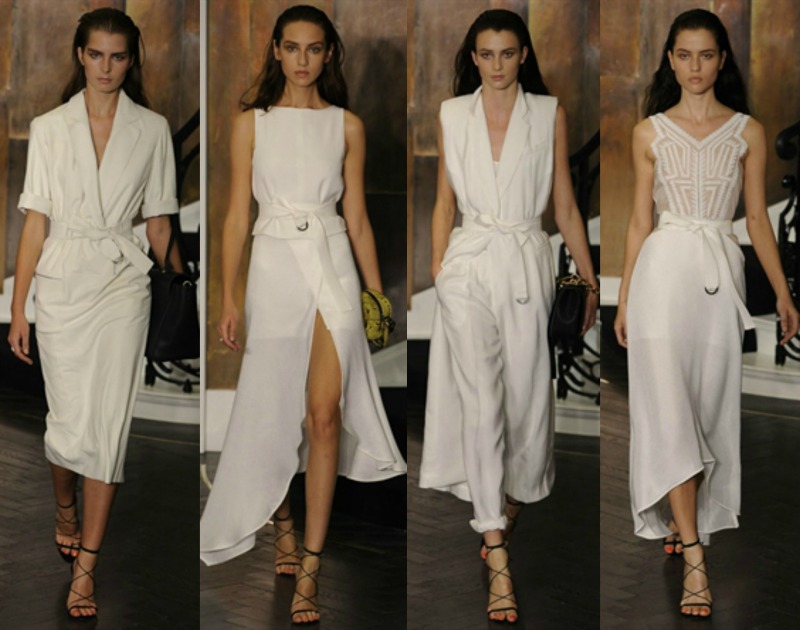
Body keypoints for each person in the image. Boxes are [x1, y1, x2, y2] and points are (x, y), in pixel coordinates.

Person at [198, 5, 406, 625]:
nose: (303, 60)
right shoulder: (251, 125)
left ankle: (310, 565)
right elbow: (235, 215)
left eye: (315, 49)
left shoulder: (347, 125)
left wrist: (376, 295)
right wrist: (228, 297)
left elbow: (358, 218)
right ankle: (281, 522)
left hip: (333, 262)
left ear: (329, 54)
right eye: (292, 48)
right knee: (271, 408)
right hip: (273, 268)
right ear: (275, 51)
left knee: (323, 414)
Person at [614, 8, 799, 619]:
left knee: (708, 409)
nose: (695, 66)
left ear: (722, 61)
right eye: (685, 55)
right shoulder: (649, 133)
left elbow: (756, 219)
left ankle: (684, 517)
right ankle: (695, 555)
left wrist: (784, 294)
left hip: (718, 280)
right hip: (661, 277)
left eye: (707, 55)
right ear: (670, 61)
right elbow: (640, 221)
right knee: (669, 409)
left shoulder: (748, 132)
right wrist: (625, 297)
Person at [419, 9, 598, 624]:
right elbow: (443, 200)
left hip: (526, 261)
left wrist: (588, 278)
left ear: (524, 55)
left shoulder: (548, 114)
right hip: (468, 265)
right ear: (473, 57)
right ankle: (496, 551)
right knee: (481, 403)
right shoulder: (452, 114)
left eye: (507, 53)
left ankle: (506, 506)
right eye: (486, 54)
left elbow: (565, 205)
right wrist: (441, 270)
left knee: (525, 403)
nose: (496, 65)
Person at [6, 8, 179, 620]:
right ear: (80, 55)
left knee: (106, 431)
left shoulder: (152, 129)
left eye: (118, 56)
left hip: (122, 287)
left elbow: (158, 222)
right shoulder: (49, 128)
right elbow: (36, 222)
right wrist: (19, 307)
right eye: (97, 54)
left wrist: (182, 284)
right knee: (66, 426)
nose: (107, 67)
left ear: (132, 61)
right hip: (61, 286)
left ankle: (87, 568)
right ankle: (65, 507)